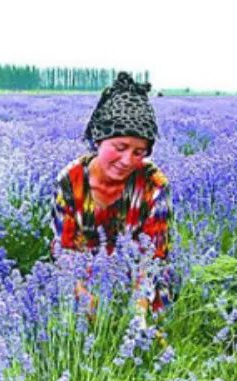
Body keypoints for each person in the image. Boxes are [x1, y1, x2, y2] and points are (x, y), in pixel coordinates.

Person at [52, 71, 172, 315]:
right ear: (99, 140)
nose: (127, 160)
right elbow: (64, 252)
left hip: (139, 277)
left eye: (139, 152)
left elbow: (155, 257)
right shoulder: (70, 181)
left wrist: (135, 313)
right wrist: (85, 299)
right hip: (86, 275)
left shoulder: (154, 184)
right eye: (120, 147)